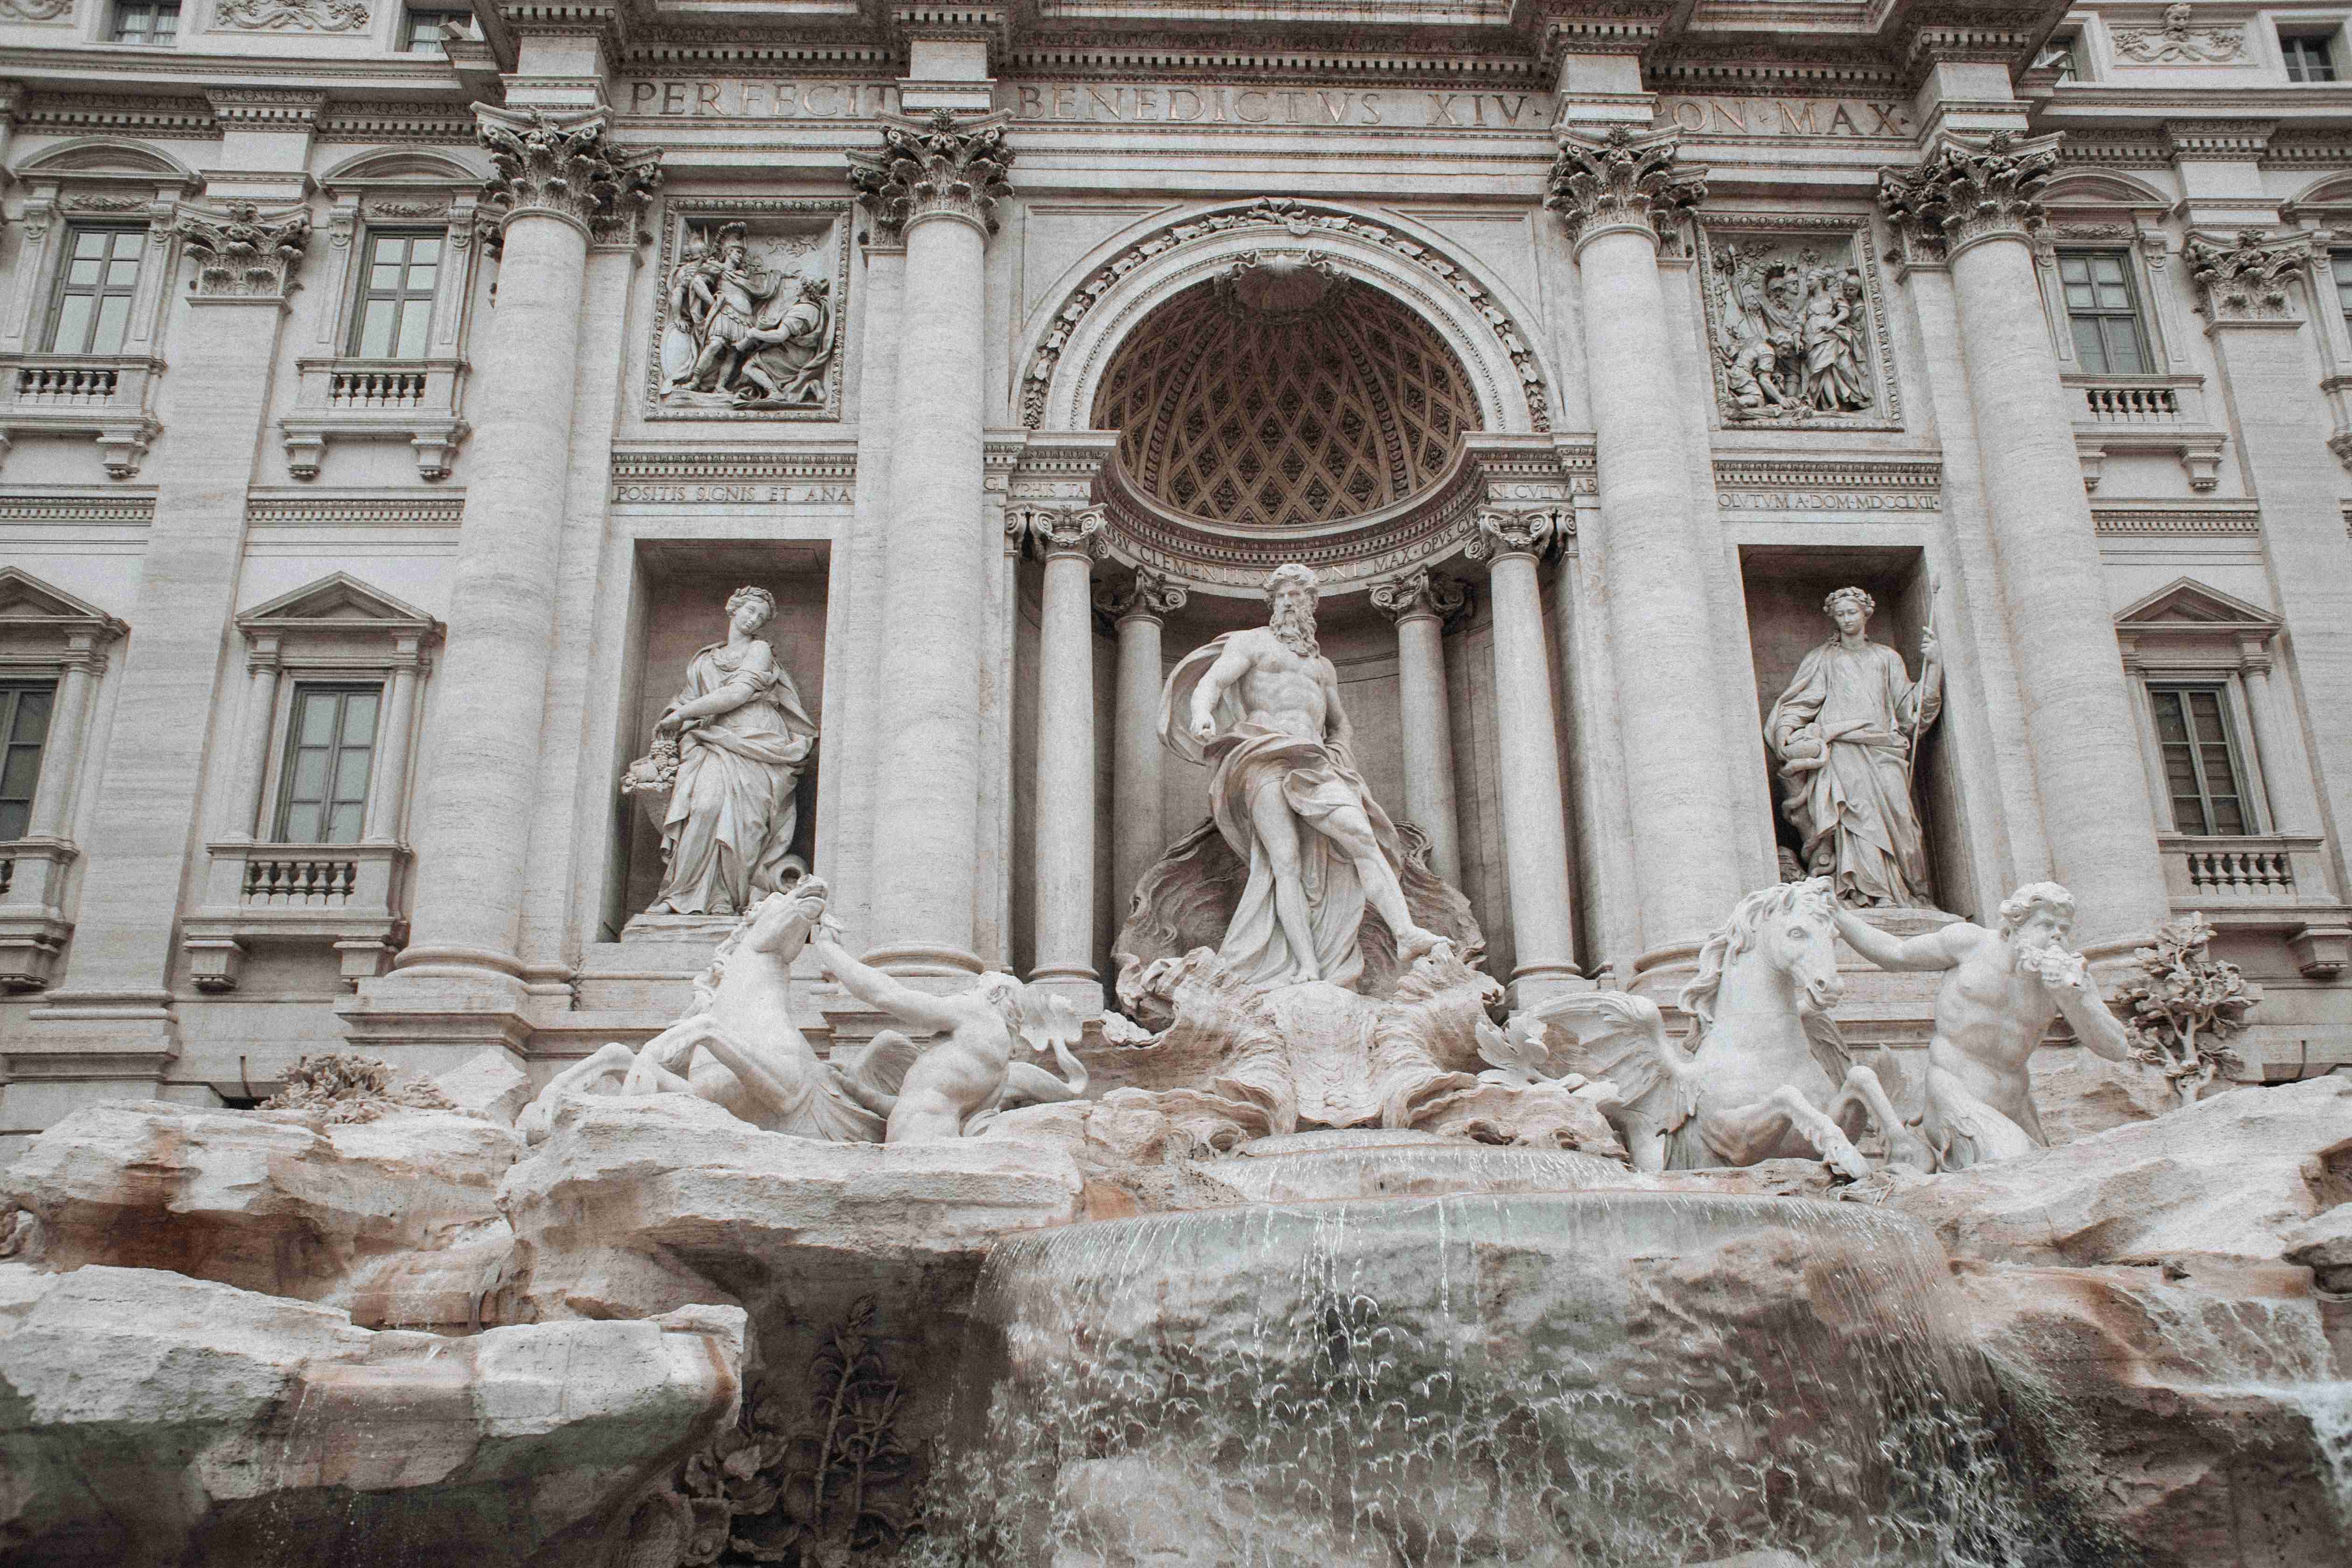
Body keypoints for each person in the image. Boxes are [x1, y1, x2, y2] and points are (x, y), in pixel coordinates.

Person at [1159, 562, 1444, 990]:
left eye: (1299, 595)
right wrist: (1201, 716)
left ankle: (1404, 934)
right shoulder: (1251, 643)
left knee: (1363, 836)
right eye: (1283, 596)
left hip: (1314, 760)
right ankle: (1306, 967)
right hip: (1262, 755)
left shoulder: (1322, 667)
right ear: (1272, 603)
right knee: (1285, 863)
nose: (1291, 602)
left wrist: (1340, 757)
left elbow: (1340, 723)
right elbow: (1212, 683)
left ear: (1313, 604)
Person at [1832, 882, 2135, 1169]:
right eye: (2045, 926)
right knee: (2013, 1164)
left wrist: (2074, 998)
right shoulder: (1970, 944)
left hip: (2016, 1107)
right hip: (1954, 1095)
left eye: (2064, 930)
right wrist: (1837, 914)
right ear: (2014, 927)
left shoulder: (2072, 979)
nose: (2057, 936)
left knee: (2051, 1174)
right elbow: (1895, 954)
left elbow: (2116, 1048)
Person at [645, 586, 818, 915]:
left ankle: (727, 897)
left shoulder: (760, 650)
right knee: (706, 807)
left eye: (761, 617)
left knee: (746, 822)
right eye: (750, 610)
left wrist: (684, 714)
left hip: (756, 740)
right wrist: (674, 717)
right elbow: (687, 698)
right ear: (732, 607)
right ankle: (681, 893)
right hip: (712, 739)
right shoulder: (704, 660)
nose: (754, 619)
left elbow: (738, 693)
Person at [1765, 586, 1942, 907]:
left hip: (1884, 750)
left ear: (1866, 614)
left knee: (1901, 823)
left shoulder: (1887, 658)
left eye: (1853, 613)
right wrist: (1787, 734)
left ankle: (1904, 892)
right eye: (1841, 614)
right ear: (1834, 618)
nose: (1847, 619)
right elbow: (1799, 703)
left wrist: (1934, 668)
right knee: (1854, 821)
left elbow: (1911, 714)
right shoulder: (1823, 659)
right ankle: (1864, 892)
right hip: (1843, 750)